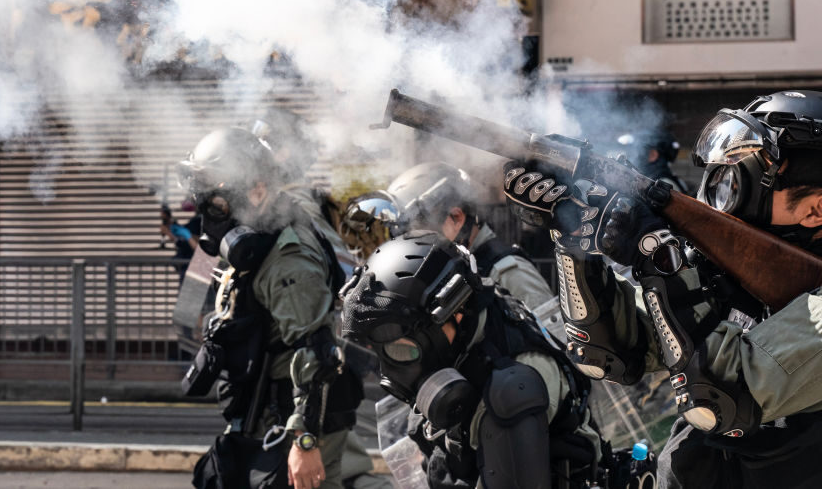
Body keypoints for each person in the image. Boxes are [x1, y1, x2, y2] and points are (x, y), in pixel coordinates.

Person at [505, 90, 822, 488]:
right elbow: (612, 350)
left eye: (749, 177)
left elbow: (719, 395)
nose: (725, 189)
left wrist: (656, 256)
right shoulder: (737, 268)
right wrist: (573, 232)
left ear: (816, 210)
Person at [340, 231, 607, 488]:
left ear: (454, 313)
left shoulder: (514, 386)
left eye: (403, 350)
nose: (391, 371)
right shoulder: (472, 332)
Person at [179, 127, 364, 489]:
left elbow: (319, 355)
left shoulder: (288, 259)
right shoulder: (262, 238)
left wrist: (304, 441)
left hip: (297, 422)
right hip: (268, 414)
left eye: (218, 204)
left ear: (258, 190)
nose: (210, 217)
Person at [346, 162, 553, 309]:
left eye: (414, 230)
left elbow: (551, 356)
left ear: (456, 218)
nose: (407, 243)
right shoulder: (447, 270)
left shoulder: (508, 274)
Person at [615, 130, 690, 195]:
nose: (631, 155)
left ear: (653, 155)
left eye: (637, 150)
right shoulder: (655, 180)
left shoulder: (662, 184)